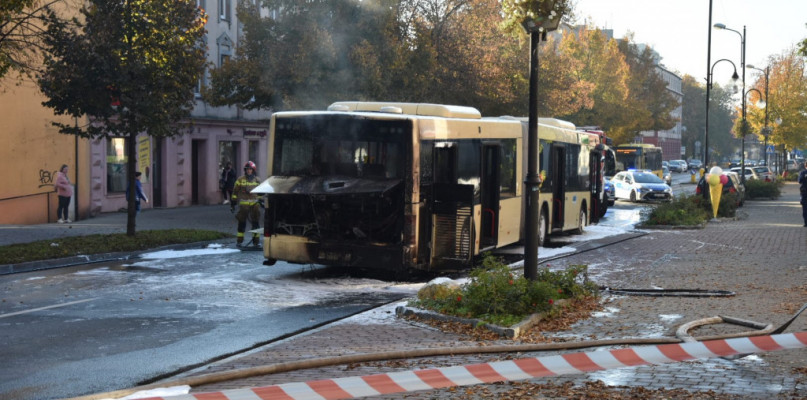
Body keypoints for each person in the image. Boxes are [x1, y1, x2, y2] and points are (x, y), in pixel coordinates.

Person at [231, 161, 262, 247]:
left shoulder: (258, 180)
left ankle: (256, 242)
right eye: (247, 169)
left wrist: (261, 201)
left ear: (253, 170)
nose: (249, 171)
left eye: (250, 169)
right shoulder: (240, 179)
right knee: (242, 222)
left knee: (256, 223)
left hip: (255, 205)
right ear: (245, 170)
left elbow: (261, 193)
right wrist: (233, 202)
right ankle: (239, 241)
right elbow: (235, 191)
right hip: (244, 205)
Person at [798, 160, 807, 227]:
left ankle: (806, 223)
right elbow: (800, 181)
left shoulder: (802, 172)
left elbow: (799, 181)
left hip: (804, 193)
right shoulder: (803, 173)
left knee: (805, 209)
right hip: (804, 193)